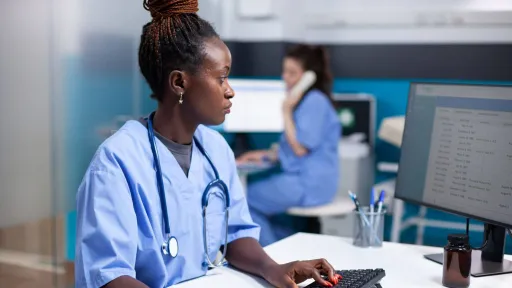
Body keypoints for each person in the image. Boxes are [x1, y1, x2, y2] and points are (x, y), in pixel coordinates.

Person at [74, 1, 342, 288]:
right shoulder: (117, 162)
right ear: (179, 82)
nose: (230, 91)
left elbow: (236, 234)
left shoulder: (215, 150)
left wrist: (273, 268)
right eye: (221, 77)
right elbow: (109, 275)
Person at [236, 45, 341, 247]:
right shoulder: (306, 102)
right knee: (274, 216)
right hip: (304, 180)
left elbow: (300, 148)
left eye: (292, 73)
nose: (285, 77)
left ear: (309, 77)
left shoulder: (314, 101)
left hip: (307, 183)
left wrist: (286, 110)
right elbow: (294, 148)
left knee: (243, 201)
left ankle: (273, 259)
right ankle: (286, 252)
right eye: (285, 71)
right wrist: (266, 155)